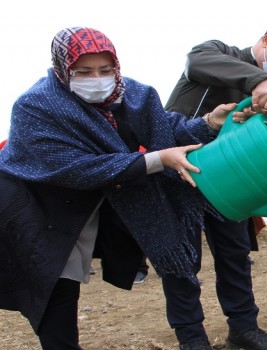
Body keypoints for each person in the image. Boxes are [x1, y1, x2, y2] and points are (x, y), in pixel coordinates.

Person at [0, 27, 252, 350]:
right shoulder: (36, 108)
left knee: (151, 249)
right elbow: (74, 168)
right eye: (84, 71)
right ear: (63, 69)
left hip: (96, 204)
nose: (98, 78)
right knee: (54, 289)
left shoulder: (133, 95)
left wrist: (208, 123)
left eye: (105, 70)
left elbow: (169, 129)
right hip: (37, 208)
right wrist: (158, 160)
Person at [163, 21, 267, 349]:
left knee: (235, 254)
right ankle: (192, 339)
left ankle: (244, 329)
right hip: (181, 170)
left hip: (232, 181)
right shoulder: (217, 53)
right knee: (183, 261)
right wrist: (261, 80)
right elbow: (197, 62)